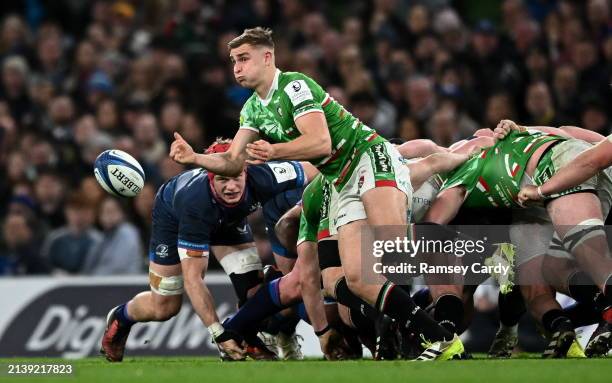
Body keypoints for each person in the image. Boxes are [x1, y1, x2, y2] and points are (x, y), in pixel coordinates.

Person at [169, 27, 464, 360]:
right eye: (233, 61)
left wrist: (275, 150)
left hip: (368, 156)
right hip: (338, 179)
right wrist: (195, 158)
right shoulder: (252, 110)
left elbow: (321, 142)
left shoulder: (294, 86)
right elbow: (233, 161)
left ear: (267, 58)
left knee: (390, 239)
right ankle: (441, 339)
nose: (236, 67)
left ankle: (461, 247)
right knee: (357, 279)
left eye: (243, 59)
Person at [101, 139, 315, 362]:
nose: (231, 187)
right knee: (164, 307)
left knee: (253, 289)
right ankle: (121, 317)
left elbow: (318, 169)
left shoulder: (264, 174)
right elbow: (194, 279)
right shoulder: (195, 204)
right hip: (176, 220)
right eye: (222, 179)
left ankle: (246, 338)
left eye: (236, 178)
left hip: (229, 221)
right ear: (210, 177)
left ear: (246, 170)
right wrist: (218, 334)